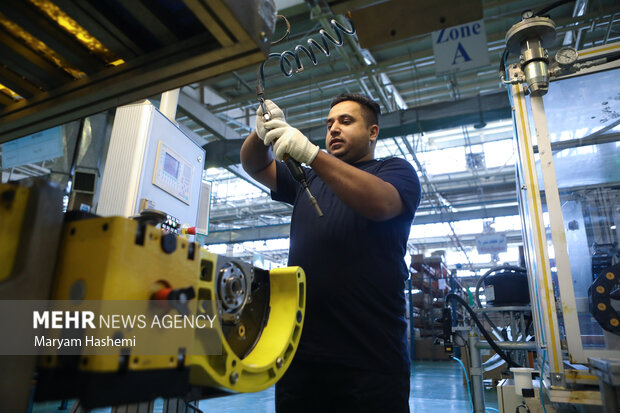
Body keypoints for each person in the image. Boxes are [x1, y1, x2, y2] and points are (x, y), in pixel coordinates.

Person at [240, 93, 421, 412]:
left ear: (373, 132)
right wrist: (261, 134)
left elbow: (381, 204)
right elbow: (256, 165)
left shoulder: (394, 171)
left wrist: (312, 154)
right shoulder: (308, 179)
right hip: (301, 356)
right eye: (330, 123)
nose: (334, 128)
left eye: (346, 121)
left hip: (369, 361)